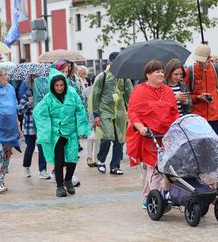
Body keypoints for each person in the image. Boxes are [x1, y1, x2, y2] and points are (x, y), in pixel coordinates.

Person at [126, 60, 179, 209]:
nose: (161, 74)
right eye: (157, 71)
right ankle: (153, 198)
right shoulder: (139, 91)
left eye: (162, 71)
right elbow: (133, 112)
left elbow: (174, 112)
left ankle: (156, 195)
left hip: (167, 135)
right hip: (149, 136)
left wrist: (176, 128)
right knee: (154, 167)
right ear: (148, 75)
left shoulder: (167, 91)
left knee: (166, 167)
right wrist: (141, 127)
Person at [33, 68, 90, 197]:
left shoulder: (73, 94)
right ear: (52, 86)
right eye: (57, 85)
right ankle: (59, 186)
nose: (59, 88)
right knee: (59, 159)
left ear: (65, 84)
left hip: (71, 132)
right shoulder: (48, 99)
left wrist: (82, 130)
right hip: (56, 133)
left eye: (61, 85)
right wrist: (45, 133)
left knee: (72, 158)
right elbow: (39, 113)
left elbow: (80, 111)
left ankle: (68, 179)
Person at [184, 44, 218, 160]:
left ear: (209, 58)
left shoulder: (217, 69)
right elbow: (186, 96)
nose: (199, 63)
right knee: (199, 146)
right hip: (198, 116)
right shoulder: (190, 71)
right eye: (198, 60)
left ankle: (212, 169)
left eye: (202, 61)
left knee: (214, 144)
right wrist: (198, 97)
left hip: (215, 115)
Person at [92, 52, 133, 175]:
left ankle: (115, 166)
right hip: (105, 111)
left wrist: (131, 111)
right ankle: (101, 160)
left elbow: (129, 95)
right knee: (107, 136)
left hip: (120, 112)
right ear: (110, 62)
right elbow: (95, 96)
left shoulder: (124, 77)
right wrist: (96, 115)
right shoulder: (102, 76)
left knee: (120, 138)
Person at [0, 64, 21, 193]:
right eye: (5, 75)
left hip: (10, 128)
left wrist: (18, 126)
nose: (7, 77)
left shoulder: (10, 89)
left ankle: (1, 179)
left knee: (6, 156)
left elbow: (14, 108)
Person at [18, 75, 50, 179]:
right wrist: (28, 103)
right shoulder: (27, 94)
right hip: (30, 125)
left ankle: (43, 170)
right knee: (30, 147)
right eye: (32, 80)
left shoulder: (43, 94)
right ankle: (26, 167)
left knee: (42, 147)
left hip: (41, 125)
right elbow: (19, 110)